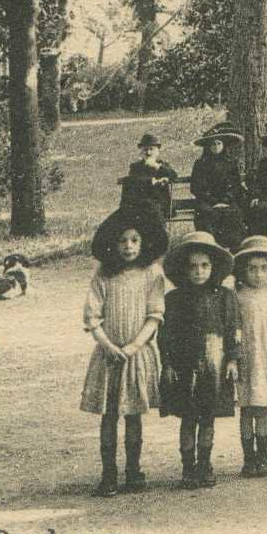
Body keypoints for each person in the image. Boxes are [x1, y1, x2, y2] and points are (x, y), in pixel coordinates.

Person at [79, 208, 167, 495]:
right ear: (112, 245)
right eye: (122, 241)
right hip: (108, 356)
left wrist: (132, 346)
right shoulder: (104, 274)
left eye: (134, 240)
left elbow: (155, 315)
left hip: (136, 354)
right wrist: (108, 345)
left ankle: (133, 471)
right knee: (109, 414)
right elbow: (92, 316)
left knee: (133, 414)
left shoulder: (151, 274)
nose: (128, 246)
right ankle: (108, 474)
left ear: (143, 244)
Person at [158, 230, 240, 489]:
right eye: (192, 266)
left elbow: (233, 329)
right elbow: (165, 334)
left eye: (205, 265)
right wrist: (167, 363)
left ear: (213, 267)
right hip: (183, 365)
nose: (199, 271)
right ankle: (188, 467)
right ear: (184, 269)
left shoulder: (225, 297)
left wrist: (232, 359)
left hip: (214, 362)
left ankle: (205, 464)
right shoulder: (173, 299)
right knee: (187, 417)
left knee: (208, 416)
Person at [231, 236, 267, 478]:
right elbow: (231, 329)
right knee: (245, 407)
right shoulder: (236, 296)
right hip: (246, 356)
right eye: (252, 268)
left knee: (261, 407)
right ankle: (248, 457)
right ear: (242, 270)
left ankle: (263, 456)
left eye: (263, 268)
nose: (258, 274)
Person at [188, 125, 249, 252]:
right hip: (207, 201)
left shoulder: (231, 162)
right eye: (213, 144)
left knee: (234, 214)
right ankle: (210, 249)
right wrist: (213, 201)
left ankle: (234, 249)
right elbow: (196, 187)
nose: (216, 147)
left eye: (219, 144)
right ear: (208, 147)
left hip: (227, 200)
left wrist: (226, 199)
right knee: (206, 214)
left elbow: (235, 185)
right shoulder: (200, 164)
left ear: (224, 145)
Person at [117, 133, 177, 222]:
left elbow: (174, 175)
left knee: (153, 212)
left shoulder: (163, 166)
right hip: (141, 204)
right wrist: (152, 181)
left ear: (157, 151)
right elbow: (133, 181)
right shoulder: (136, 167)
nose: (148, 152)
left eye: (151, 149)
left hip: (160, 205)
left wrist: (156, 166)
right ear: (141, 151)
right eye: (145, 149)